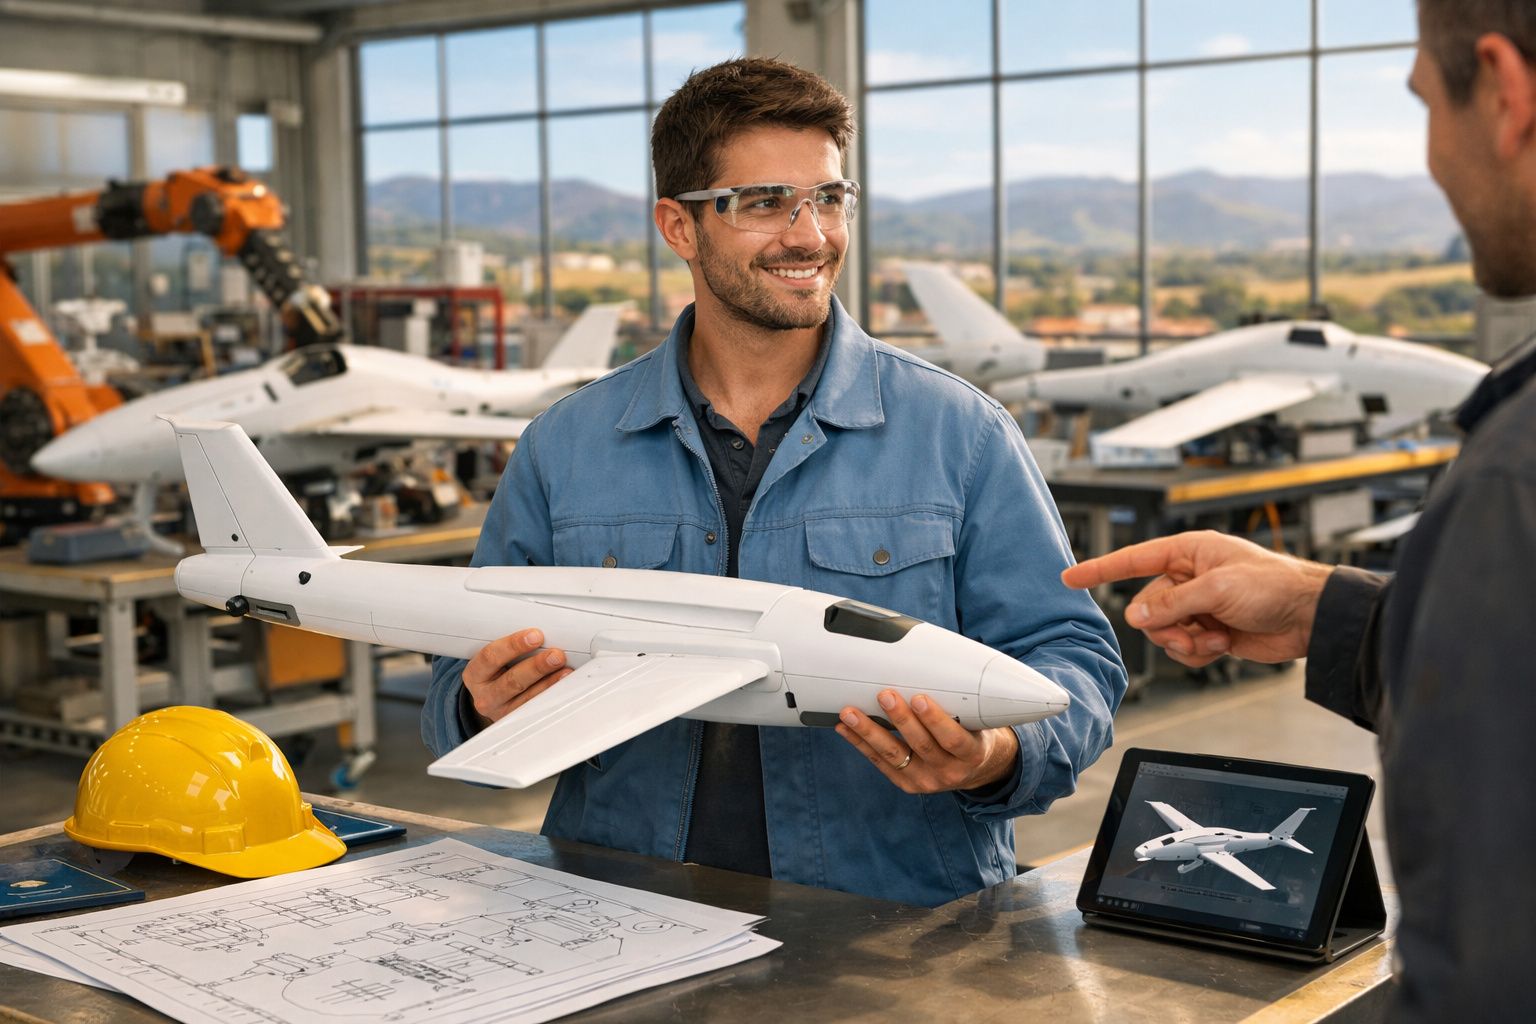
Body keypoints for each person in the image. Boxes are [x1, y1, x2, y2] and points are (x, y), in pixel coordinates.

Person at [424, 57, 1126, 907]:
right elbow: (452, 672)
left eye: (829, 199)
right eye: (764, 203)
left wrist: (998, 757)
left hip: (899, 933)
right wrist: (479, 703)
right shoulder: (564, 447)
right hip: (618, 914)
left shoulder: (960, 434)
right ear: (679, 228)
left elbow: (1074, 658)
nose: (810, 235)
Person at [1061, 2, 1536, 1017]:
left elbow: (1492, 978)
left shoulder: (1512, 476)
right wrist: (1330, 608)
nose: (1434, 160)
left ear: (1505, 91)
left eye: (1425, 103)